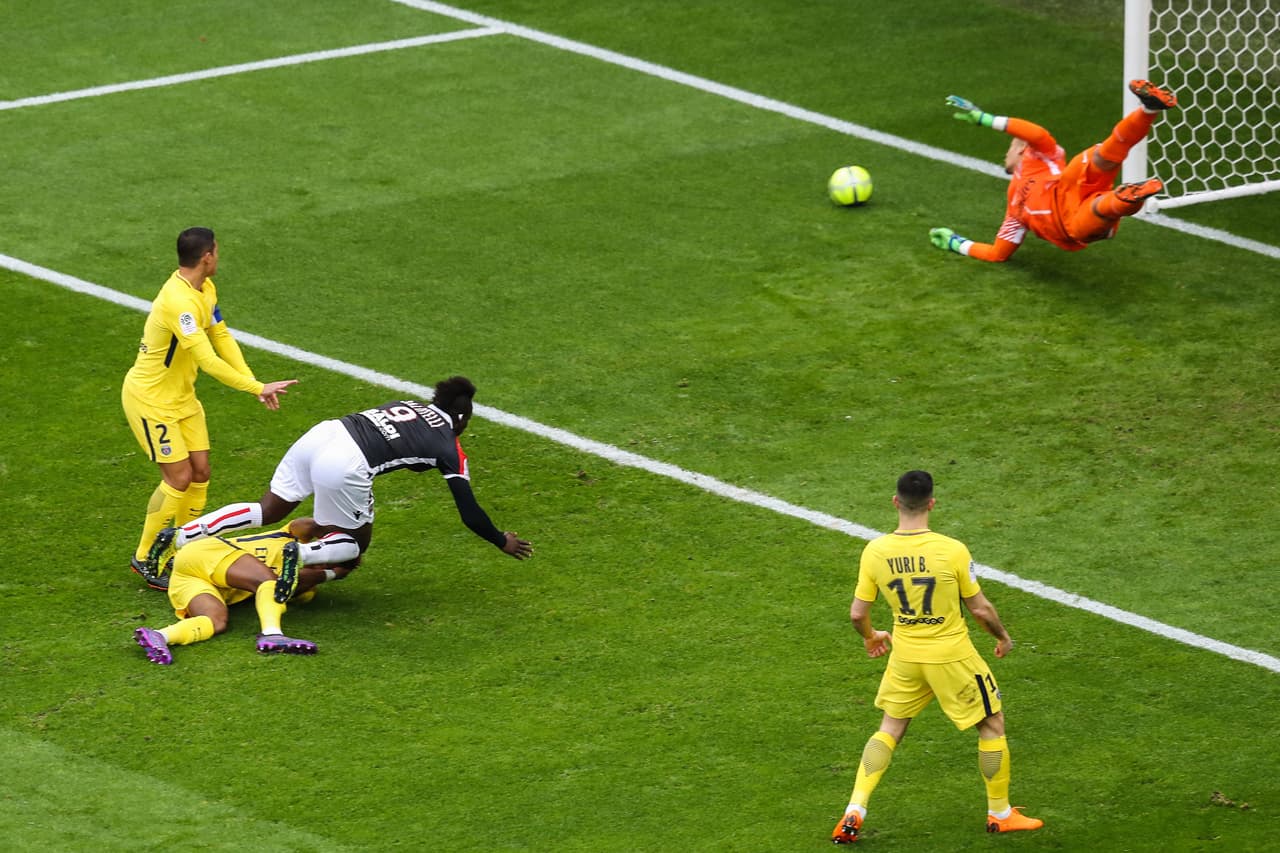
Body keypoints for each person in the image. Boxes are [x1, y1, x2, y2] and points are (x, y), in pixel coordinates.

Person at [831, 471, 1042, 843]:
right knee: (992, 725)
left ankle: (855, 809)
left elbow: (857, 613)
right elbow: (980, 609)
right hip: (951, 657)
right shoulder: (952, 550)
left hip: (905, 657)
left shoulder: (875, 551)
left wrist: (871, 637)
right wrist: (1003, 637)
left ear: (895, 502)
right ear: (931, 503)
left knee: (889, 729)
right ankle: (1000, 814)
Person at [146, 376, 533, 575]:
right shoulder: (450, 445)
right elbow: (469, 512)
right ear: (462, 419)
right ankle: (296, 556)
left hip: (325, 433)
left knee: (268, 509)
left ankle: (180, 535)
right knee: (353, 544)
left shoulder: (407, 405)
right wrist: (501, 540)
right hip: (347, 462)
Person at [122, 226, 298, 590]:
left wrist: (253, 382)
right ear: (207, 256)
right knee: (178, 478)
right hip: (151, 401)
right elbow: (206, 359)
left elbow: (221, 335)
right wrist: (256, 387)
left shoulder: (205, 289)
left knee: (200, 472)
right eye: (217, 251)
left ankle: (179, 546)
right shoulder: (178, 302)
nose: (218, 256)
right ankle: (146, 556)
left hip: (183, 399)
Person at [928, 79, 1177, 262]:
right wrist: (956, 243)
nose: (1005, 154)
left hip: (1068, 186)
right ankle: (1128, 197)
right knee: (1095, 211)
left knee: (1102, 157)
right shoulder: (1013, 213)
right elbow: (998, 253)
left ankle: (1149, 108)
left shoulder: (1040, 157)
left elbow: (1037, 134)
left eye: (1010, 147)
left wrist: (986, 119)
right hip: (1069, 221)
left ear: (1021, 149)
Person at [132, 517, 352, 666]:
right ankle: (272, 635)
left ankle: (160, 636)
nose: (319, 562)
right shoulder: (293, 537)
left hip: (188, 576)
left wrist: (331, 574)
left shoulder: (302, 585)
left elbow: (293, 586)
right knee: (269, 581)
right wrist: (347, 537)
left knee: (216, 621)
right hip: (205, 552)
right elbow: (311, 525)